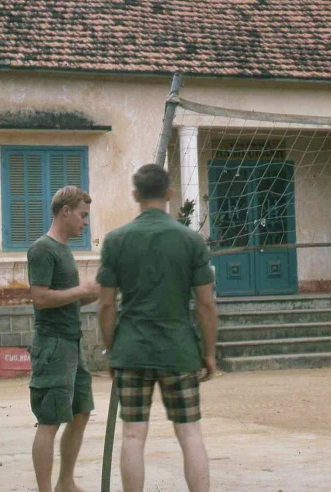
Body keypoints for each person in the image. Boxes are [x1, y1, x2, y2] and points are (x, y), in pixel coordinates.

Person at [97, 163, 219, 492]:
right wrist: (209, 354)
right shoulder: (191, 240)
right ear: (168, 194)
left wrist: (111, 350)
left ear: (136, 195)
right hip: (179, 351)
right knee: (190, 433)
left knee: (133, 435)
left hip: (131, 351)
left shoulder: (115, 240)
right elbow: (206, 304)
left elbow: (106, 304)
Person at [27, 185, 100, 492]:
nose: (85, 222)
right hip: (53, 345)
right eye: (82, 215)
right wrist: (83, 291)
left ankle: (65, 482)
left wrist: (97, 291)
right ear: (65, 211)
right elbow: (41, 298)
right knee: (50, 421)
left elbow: (67, 299)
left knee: (81, 412)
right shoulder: (43, 249)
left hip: (72, 342)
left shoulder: (64, 249)